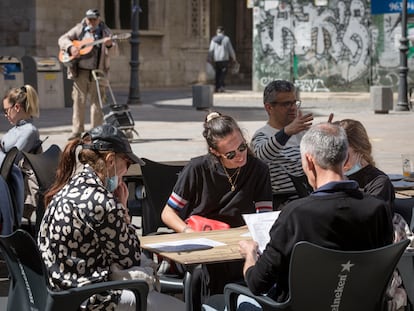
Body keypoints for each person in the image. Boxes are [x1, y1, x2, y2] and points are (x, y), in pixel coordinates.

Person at [236, 122, 393, 310]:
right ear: (345, 159)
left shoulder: (295, 215)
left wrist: (250, 254)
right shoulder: (378, 209)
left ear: (309, 161)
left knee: (225, 301)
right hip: (359, 305)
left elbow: (257, 283)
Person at [38, 124, 185, 311]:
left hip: (62, 293)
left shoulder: (70, 187)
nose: (126, 170)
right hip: (91, 299)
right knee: (182, 307)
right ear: (110, 161)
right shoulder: (103, 202)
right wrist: (123, 210)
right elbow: (131, 258)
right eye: (127, 163)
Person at [161, 111, 273, 309]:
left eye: (242, 147)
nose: (240, 156)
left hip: (238, 245)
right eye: (231, 154)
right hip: (203, 243)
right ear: (215, 152)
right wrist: (189, 233)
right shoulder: (197, 168)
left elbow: (264, 216)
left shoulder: (259, 169)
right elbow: (168, 213)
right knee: (205, 272)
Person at [251, 80, 314, 209]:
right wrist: (286, 132)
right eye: (286, 104)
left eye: (294, 102)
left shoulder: (304, 133)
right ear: (269, 107)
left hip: (309, 200)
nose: (293, 108)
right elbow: (262, 156)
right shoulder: (262, 135)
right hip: (281, 205)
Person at [58, 8, 113, 141]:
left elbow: (114, 52)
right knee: (78, 102)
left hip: (97, 73)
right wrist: (71, 47)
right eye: (89, 19)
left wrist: (110, 45)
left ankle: (96, 131)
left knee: (97, 103)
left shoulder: (105, 32)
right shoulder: (79, 29)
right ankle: (77, 131)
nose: (91, 21)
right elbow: (62, 39)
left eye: (94, 19)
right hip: (80, 72)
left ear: (99, 19)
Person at [1, 85, 41, 159]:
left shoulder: (29, 131)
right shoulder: (16, 128)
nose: (6, 115)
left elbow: (11, 161)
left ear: (17, 107)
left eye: (6, 111)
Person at [208, 26, 237, 93]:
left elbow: (211, 50)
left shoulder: (213, 39)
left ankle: (217, 86)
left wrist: (209, 58)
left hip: (216, 59)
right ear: (223, 32)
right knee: (223, 73)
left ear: (217, 32)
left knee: (217, 73)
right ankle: (221, 86)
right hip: (224, 59)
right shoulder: (226, 39)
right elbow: (230, 49)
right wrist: (234, 57)